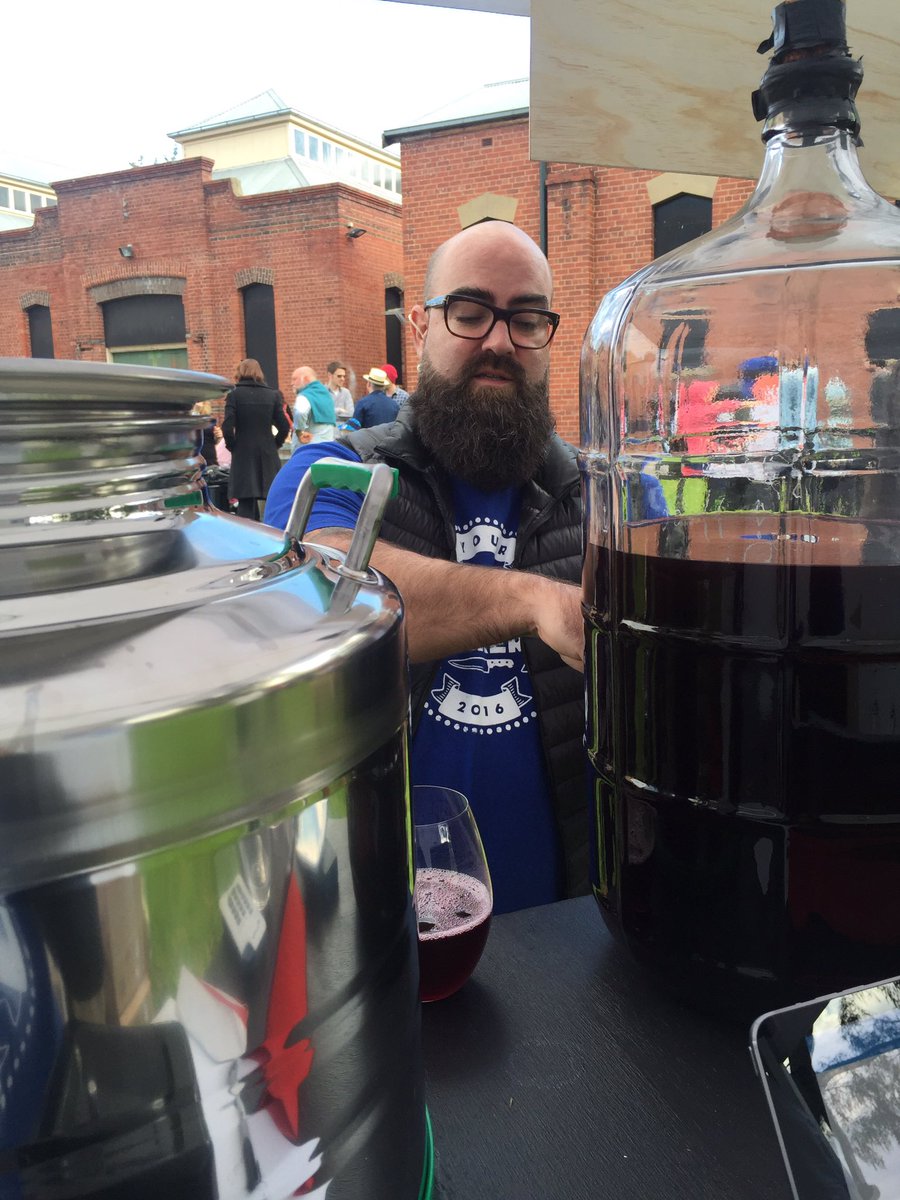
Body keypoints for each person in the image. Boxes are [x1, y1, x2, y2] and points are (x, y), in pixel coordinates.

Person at [265, 220, 586, 913]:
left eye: (527, 321)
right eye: (470, 314)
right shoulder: (334, 471)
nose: (499, 342)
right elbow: (325, 587)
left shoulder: (591, 490)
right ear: (420, 324)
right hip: (377, 923)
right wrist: (538, 603)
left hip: (571, 922)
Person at [221, 359, 290, 520]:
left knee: (246, 503)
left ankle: (247, 540)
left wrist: (233, 446)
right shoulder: (273, 395)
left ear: (240, 372)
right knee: (272, 498)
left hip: (243, 453)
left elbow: (227, 427)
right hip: (267, 452)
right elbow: (285, 427)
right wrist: (275, 444)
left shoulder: (234, 395)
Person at [291, 365, 336, 447]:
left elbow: (300, 412)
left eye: (295, 379)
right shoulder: (326, 394)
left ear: (306, 379)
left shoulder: (304, 396)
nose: (292, 383)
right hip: (328, 447)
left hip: (308, 449)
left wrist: (299, 431)